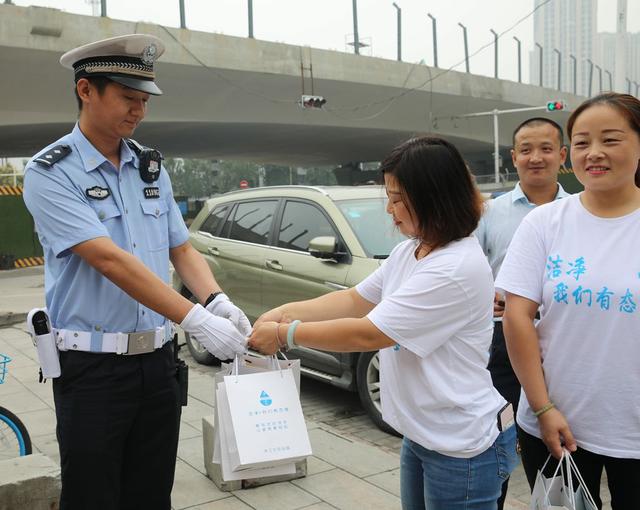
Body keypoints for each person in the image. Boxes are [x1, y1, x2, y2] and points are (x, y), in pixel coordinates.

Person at [22, 34, 250, 510]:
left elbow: (181, 248)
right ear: (86, 90)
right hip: (93, 371)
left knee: (151, 496)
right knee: (93, 497)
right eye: (128, 98)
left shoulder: (150, 169)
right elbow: (108, 260)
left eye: (144, 100)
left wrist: (216, 300)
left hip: (158, 366)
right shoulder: (51, 172)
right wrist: (195, 319)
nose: (139, 111)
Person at [248, 136, 518, 510]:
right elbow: (354, 299)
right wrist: (285, 311)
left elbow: (369, 331)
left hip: (461, 448)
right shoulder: (412, 250)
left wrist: (285, 334)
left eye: (396, 198)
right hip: (423, 434)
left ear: (432, 196)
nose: (389, 209)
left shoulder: (454, 268)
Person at [496, 92, 640, 508]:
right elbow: (517, 317)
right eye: (581, 142)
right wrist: (542, 409)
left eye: (610, 140)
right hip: (556, 423)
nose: (594, 153)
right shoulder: (544, 222)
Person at [475, 117, 569, 509]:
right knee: (493, 437)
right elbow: (466, 273)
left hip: (561, 341)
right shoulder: (488, 213)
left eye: (546, 148)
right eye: (526, 150)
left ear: (562, 156)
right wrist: (486, 298)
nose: (536, 158)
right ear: (513, 157)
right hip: (500, 343)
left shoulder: (579, 212)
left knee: (556, 444)